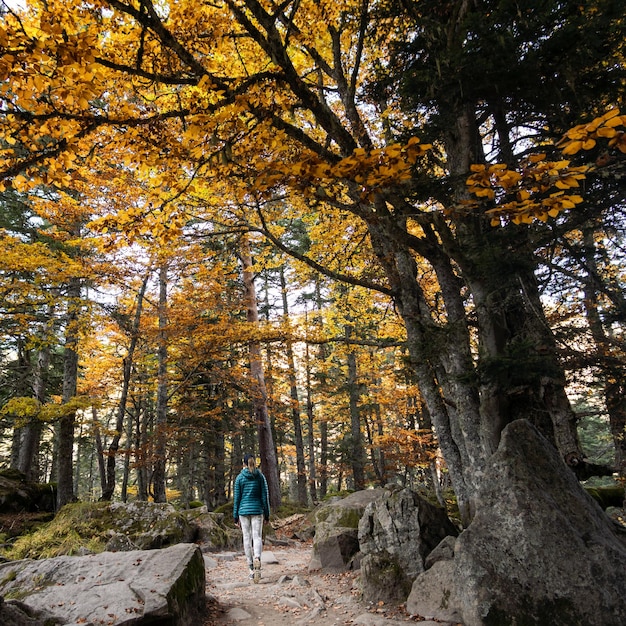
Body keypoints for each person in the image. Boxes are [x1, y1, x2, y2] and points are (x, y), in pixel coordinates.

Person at [233, 453, 270, 582]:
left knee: (247, 538)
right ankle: (257, 558)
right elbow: (265, 497)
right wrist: (267, 514)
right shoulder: (260, 477)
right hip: (257, 510)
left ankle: (250, 569)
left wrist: (235, 516)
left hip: (243, 511)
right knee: (257, 536)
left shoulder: (239, 478)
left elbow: (237, 498)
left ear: (243, 464)